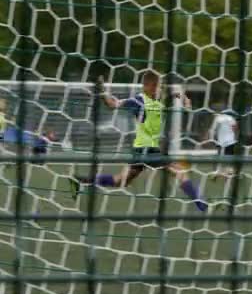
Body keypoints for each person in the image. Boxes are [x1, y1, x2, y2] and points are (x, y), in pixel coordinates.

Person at [68, 72, 207, 212]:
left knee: (120, 181)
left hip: (140, 150)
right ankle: (201, 203)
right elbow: (112, 104)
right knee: (180, 171)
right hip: (148, 150)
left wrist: (184, 98)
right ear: (148, 86)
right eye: (158, 86)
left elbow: (174, 93)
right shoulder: (138, 101)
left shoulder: (159, 99)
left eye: (160, 87)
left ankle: (80, 180)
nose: (160, 89)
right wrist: (103, 91)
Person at [209, 105, 237, 178]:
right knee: (229, 155)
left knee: (220, 156)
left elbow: (213, 129)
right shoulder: (231, 118)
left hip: (221, 141)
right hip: (230, 140)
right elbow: (234, 127)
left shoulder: (218, 118)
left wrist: (212, 137)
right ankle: (229, 171)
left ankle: (219, 171)